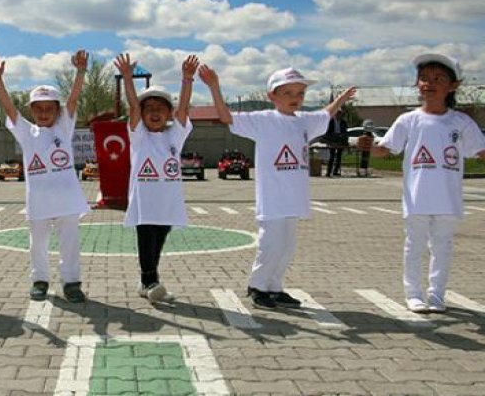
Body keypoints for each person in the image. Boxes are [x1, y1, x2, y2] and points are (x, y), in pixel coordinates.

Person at [201, 64, 356, 310]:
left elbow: (325, 114)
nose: (295, 99)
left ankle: (274, 287)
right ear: (271, 96)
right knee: (270, 244)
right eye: (287, 93)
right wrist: (214, 86)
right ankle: (258, 286)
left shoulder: (304, 121)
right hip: (272, 197)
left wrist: (341, 99)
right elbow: (226, 117)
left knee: (287, 246)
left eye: (299, 94)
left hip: (294, 197)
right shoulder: (263, 120)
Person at [373, 53, 485, 313]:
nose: (428, 83)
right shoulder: (408, 120)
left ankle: (437, 295)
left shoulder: (460, 122)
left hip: (448, 197)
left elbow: (479, 151)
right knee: (414, 245)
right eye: (423, 78)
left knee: (442, 247)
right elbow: (386, 149)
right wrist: (372, 148)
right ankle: (414, 294)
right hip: (417, 197)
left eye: (438, 78)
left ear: (453, 86)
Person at [0, 50, 90, 303]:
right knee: (38, 244)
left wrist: (80, 71)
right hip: (39, 201)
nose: (44, 113)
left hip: (67, 199)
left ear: (58, 111)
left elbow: (74, 99)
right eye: (39, 108)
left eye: (49, 108)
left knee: (69, 243)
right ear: (32, 110)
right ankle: (40, 280)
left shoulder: (64, 128)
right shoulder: (26, 132)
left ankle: (71, 282)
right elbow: (9, 107)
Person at [114, 53, 198, 303]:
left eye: (160, 109)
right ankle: (149, 280)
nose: (154, 113)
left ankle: (149, 281)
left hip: (168, 201)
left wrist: (187, 80)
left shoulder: (175, 136)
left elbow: (183, 108)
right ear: (141, 113)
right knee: (146, 238)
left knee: (159, 239)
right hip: (144, 201)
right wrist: (128, 77)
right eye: (149, 108)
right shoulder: (139, 136)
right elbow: (132, 105)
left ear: (168, 113)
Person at [324, 109, 348, 177]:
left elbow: (345, 131)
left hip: (340, 140)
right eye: (338, 113)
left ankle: (335, 171)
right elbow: (327, 132)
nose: (339, 115)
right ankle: (328, 172)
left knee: (339, 156)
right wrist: (332, 137)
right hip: (332, 140)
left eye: (340, 114)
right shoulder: (331, 121)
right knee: (332, 156)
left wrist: (342, 137)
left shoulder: (343, 122)